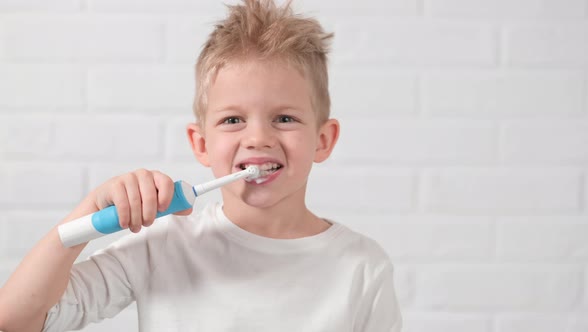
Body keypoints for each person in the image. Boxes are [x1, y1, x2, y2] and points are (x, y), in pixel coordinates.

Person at [0, 0, 403, 331]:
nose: (258, 137)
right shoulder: (163, 246)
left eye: (284, 118)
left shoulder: (362, 267)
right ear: (201, 144)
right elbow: (15, 321)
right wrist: (89, 211)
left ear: (323, 140)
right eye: (233, 120)